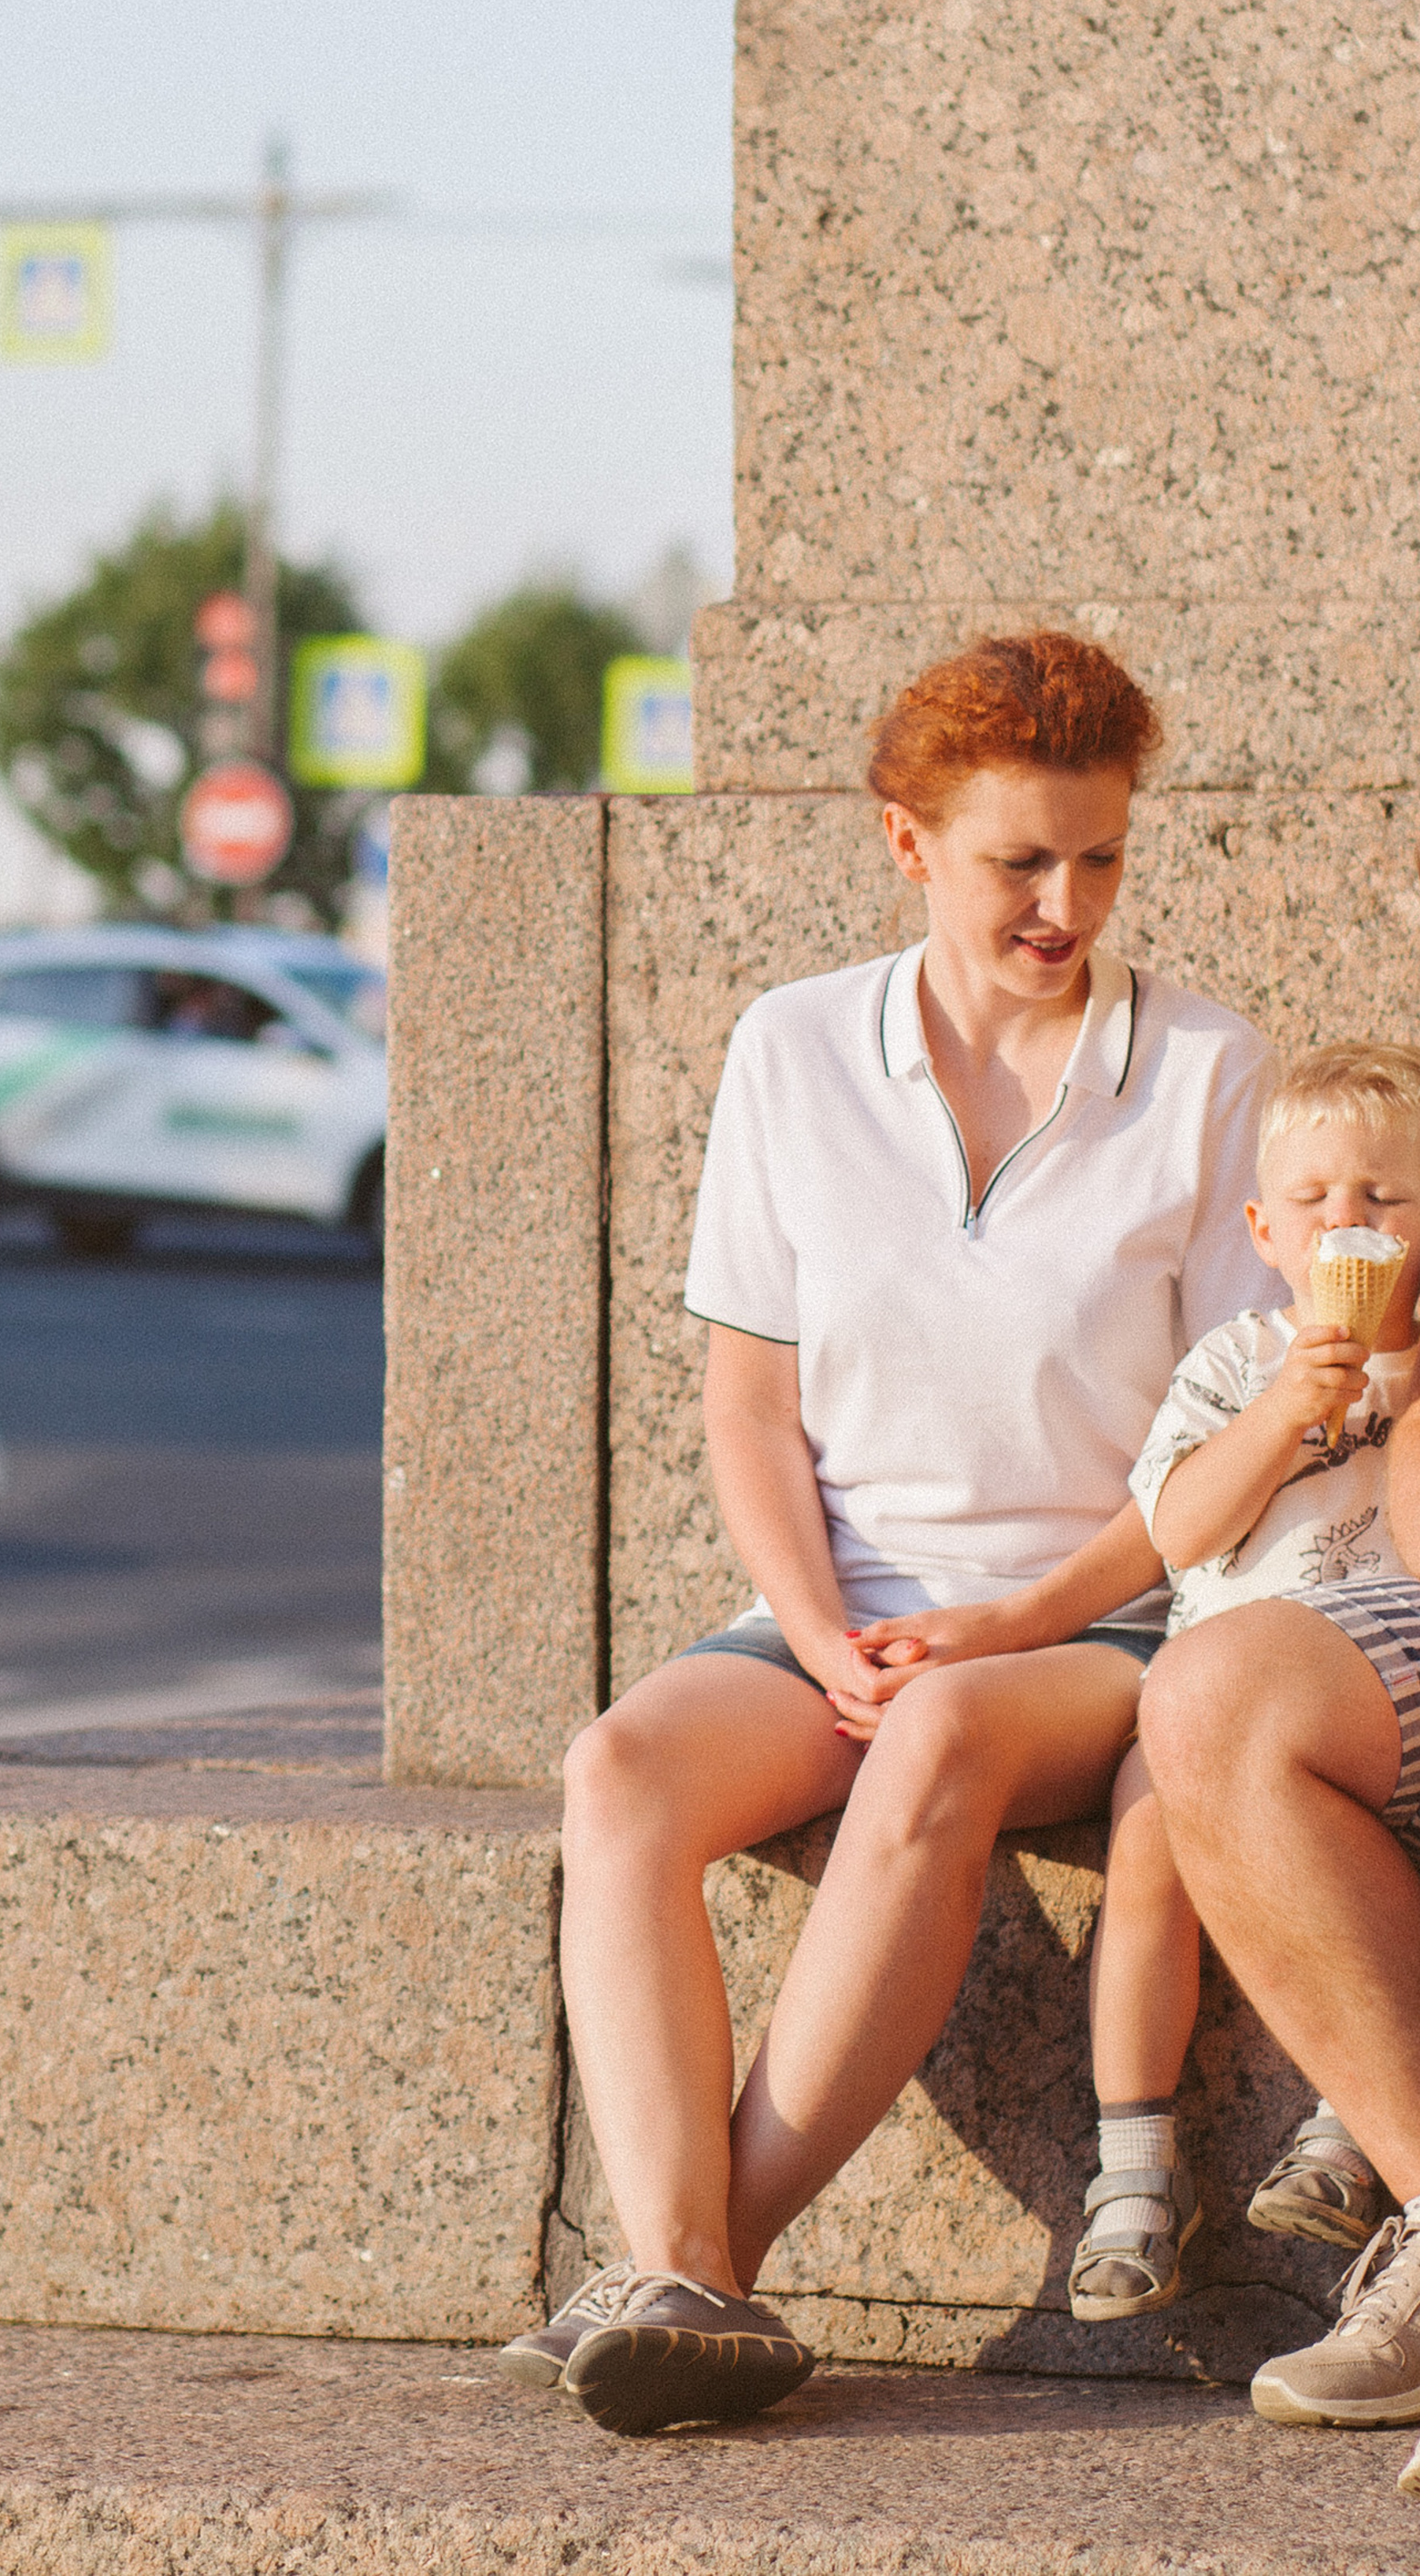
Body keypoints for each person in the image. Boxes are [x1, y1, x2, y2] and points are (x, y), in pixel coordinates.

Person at [498, 629, 1285, 2440]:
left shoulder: (1199, 1071)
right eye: (1020, 858)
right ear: (904, 842)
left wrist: (1005, 1626)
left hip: (1105, 1621)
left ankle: (693, 2278)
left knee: (932, 1733)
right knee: (615, 1768)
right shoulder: (790, 1048)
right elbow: (748, 1406)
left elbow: (1236, 1449)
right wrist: (814, 1620)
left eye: (1096, 856)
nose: (1063, 902)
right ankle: (683, 2276)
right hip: (838, 1607)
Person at [1066, 1047, 1420, 2326]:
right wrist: (1283, 1414)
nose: (1352, 1224)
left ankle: (1346, 2134)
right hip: (1206, 1689)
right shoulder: (1236, 1361)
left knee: (1367, 1859)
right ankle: (1135, 2165)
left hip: (1360, 1711)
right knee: (1151, 1843)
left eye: (1388, 1199)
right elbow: (1176, 1526)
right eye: (1319, 1201)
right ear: (1267, 1232)